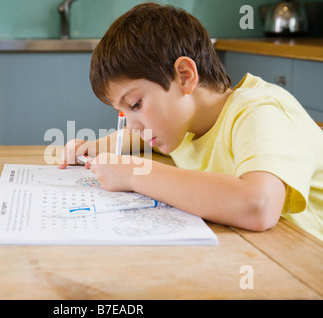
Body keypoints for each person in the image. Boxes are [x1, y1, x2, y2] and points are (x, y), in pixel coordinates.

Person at [57, 3, 323, 240]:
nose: (132, 124)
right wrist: (97, 147)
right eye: (125, 113)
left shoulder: (259, 111)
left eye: (136, 104)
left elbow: (258, 206)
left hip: (305, 265)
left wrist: (134, 173)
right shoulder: (184, 125)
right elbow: (137, 135)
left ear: (184, 77)